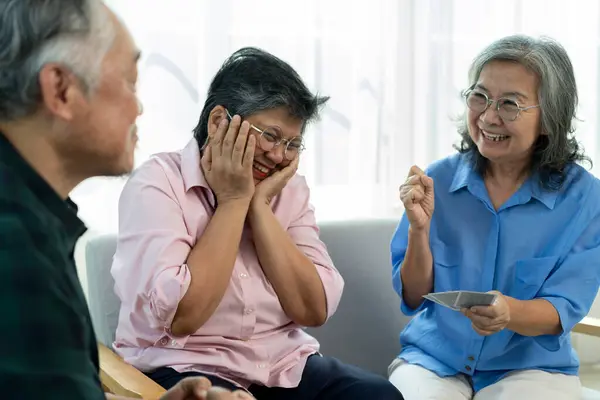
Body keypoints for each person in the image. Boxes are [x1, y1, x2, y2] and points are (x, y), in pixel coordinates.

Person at [110, 47, 404, 400]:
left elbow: (313, 309)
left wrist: (259, 206)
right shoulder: (157, 183)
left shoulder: (288, 191)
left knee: (380, 396)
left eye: (293, 143)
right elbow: (183, 316)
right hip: (185, 365)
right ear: (219, 121)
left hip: (282, 365)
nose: (280, 156)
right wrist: (234, 201)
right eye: (270, 136)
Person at [0, 0, 251, 399]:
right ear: (61, 89)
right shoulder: (15, 249)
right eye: (130, 83)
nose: (139, 107)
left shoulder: (34, 219)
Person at [388, 34, 600, 400]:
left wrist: (508, 313)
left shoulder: (585, 198)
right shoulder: (436, 179)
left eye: (510, 105)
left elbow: (562, 309)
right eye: (480, 97)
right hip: (434, 361)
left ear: (549, 119)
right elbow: (414, 294)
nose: (488, 116)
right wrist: (419, 232)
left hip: (532, 370)